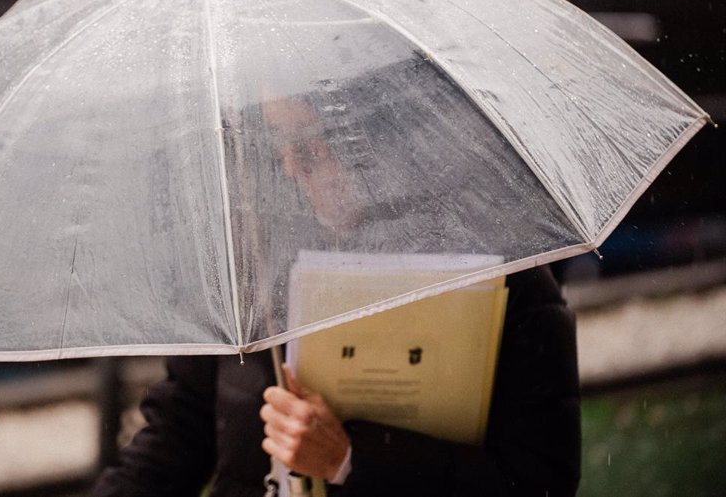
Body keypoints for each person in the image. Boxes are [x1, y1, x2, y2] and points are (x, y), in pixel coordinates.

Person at [92, 87, 582, 496]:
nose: (289, 169)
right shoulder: (256, 259)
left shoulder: (504, 274)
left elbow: (539, 481)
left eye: (307, 146)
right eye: (277, 144)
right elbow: (181, 430)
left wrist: (351, 458)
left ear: (375, 143)